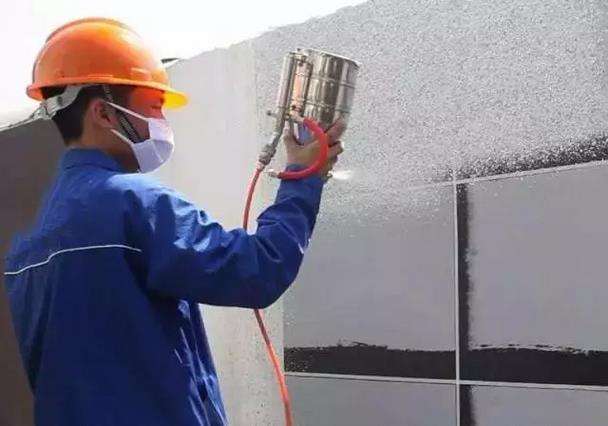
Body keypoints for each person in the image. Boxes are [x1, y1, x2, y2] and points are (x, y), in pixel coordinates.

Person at [4, 18, 344, 426]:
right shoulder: (134, 203)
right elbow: (259, 270)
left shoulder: (31, 241)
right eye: (153, 107)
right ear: (103, 113)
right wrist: (303, 177)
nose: (162, 122)